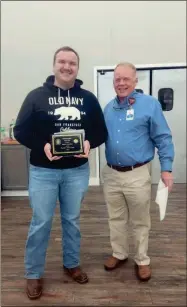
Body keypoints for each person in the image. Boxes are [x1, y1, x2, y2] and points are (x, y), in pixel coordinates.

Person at [13, 46, 108, 299]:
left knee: (72, 220)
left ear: (77, 67)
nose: (67, 67)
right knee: (41, 222)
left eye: (72, 63)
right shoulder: (36, 96)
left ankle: (71, 263)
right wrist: (42, 145)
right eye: (62, 62)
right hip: (43, 171)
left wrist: (89, 143)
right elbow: (20, 131)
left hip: (76, 171)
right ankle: (33, 273)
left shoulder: (88, 98)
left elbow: (101, 131)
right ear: (54, 65)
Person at [102, 62, 174, 281]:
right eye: (117, 79)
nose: (121, 83)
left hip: (137, 173)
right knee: (116, 217)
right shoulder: (108, 108)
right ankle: (119, 253)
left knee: (140, 220)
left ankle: (142, 259)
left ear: (135, 80)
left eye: (126, 79)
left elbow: (163, 138)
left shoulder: (150, 105)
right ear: (113, 82)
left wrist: (167, 168)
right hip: (111, 174)